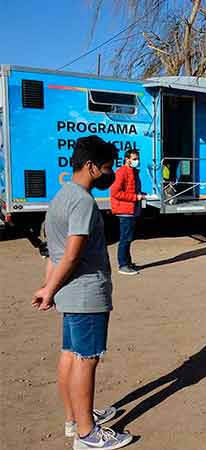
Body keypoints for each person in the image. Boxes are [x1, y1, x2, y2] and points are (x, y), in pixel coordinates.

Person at [32, 135, 133, 450]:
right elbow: (72, 254)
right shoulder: (83, 202)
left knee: (71, 355)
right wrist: (49, 290)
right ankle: (88, 434)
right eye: (106, 167)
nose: (109, 173)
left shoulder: (60, 197)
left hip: (68, 294)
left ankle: (74, 419)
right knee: (87, 359)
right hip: (86, 294)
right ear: (91, 166)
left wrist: (49, 286)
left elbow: (53, 253)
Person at [110, 149, 144, 276]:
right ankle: (123, 265)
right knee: (125, 238)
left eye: (137, 158)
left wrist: (140, 194)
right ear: (127, 159)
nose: (136, 161)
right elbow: (115, 192)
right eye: (134, 159)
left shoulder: (133, 172)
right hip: (125, 210)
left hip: (131, 210)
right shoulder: (121, 172)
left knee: (128, 238)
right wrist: (136, 197)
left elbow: (131, 189)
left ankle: (128, 263)